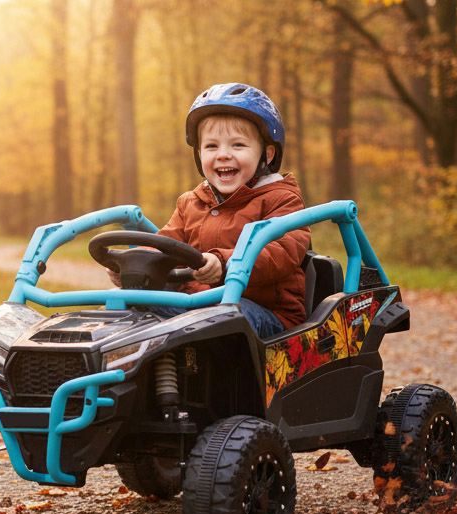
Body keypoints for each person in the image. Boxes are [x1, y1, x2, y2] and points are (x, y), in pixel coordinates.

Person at [109, 82, 310, 338]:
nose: (223, 155)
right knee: (127, 300)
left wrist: (225, 262)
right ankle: (115, 363)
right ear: (199, 154)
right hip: (199, 305)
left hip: (265, 311)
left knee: (222, 319)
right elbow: (165, 245)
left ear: (267, 155)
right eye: (212, 146)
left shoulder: (281, 199)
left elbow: (280, 253)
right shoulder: (191, 203)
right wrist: (134, 265)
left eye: (238, 145)